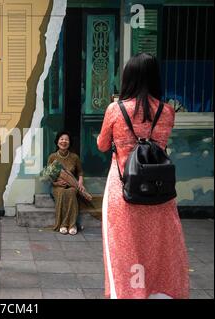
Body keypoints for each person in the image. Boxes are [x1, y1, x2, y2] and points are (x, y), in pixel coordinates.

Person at [97, 53, 189, 299]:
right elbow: (160, 142)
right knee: (157, 248)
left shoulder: (115, 110)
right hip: (159, 191)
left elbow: (102, 145)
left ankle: (128, 293)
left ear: (129, 77)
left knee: (124, 247)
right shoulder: (167, 112)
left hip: (123, 190)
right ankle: (155, 292)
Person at [47, 132, 87, 235]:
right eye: (61, 139)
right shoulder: (52, 157)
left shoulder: (74, 157)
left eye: (66, 139)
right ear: (57, 142)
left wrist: (80, 183)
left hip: (72, 185)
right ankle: (63, 224)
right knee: (61, 193)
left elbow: (80, 172)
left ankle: (72, 225)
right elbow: (49, 175)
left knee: (71, 192)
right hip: (57, 186)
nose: (64, 141)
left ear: (69, 143)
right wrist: (56, 183)